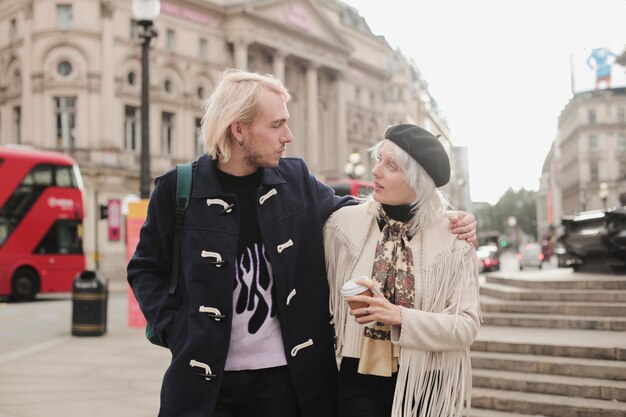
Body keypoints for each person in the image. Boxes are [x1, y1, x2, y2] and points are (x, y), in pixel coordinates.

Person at [127, 70, 478, 417]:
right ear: (239, 129)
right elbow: (145, 268)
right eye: (276, 125)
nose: (288, 136)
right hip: (203, 380)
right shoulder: (177, 188)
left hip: (282, 382)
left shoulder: (295, 180)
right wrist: (177, 330)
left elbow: (365, 214)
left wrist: (444, 219)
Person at [324, 124, 481, 417]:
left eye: (391, 166)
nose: (376, 171)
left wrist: (399, 317)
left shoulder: (454, 238)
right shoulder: (342, 224)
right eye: (378, 159)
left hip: (426, 382)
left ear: (417, 180)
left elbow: (466, 326)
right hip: (357, 377)